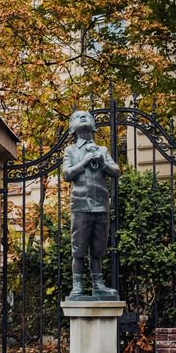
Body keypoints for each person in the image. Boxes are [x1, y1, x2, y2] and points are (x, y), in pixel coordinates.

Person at [62, 110, 121, 300]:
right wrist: (85, 162)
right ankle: (77, 286)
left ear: (94, 126)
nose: (83, 117)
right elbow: (66, 174)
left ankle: (98, 285)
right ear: (72, 128)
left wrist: (102, 162)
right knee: (78, 249)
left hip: (101, 207)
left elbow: (116, 171)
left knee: (98, 249)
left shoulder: (102, 150)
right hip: (80, 206)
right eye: (77, 117)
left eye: (87, 116)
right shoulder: (70, 151)